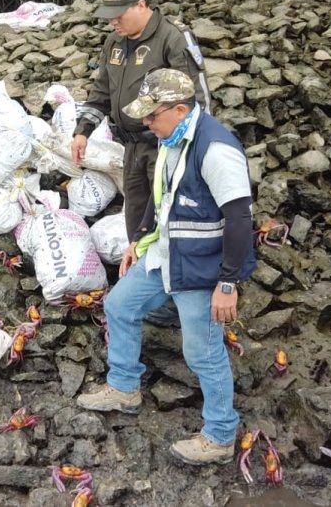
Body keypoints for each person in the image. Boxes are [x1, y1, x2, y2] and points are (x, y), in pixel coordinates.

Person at [76, 69, 257, 467]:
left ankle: (221, 435)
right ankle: (124, 388)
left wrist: (228, 283)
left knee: (203, 353)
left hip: (202, 269)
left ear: (179, 109)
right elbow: (164, 201)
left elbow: (241, 219)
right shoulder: (172, 138)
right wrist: (139, 243)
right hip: (165, 255)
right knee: (119, 305)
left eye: (152, 115)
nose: (146, 123)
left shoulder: (215, 149)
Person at [72, 0, 203, 244]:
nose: (113, 22)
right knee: (136, 220)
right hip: (130, 149)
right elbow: (101, 94)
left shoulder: (172, 38)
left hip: (165, 147)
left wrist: (189, 150)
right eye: (109, 16)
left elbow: (196, 98)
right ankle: (140, 270)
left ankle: (173, 274)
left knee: (169, 216)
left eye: (119, 15)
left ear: (141, 5)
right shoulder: (113, 44)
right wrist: (82, 130)